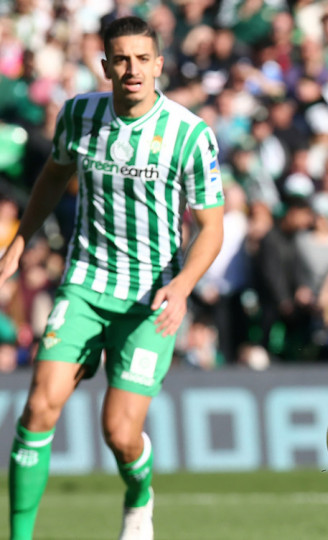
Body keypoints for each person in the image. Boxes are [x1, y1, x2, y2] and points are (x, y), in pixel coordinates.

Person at [0, 16, 225, 540]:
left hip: (151, 299)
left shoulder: (190, 135)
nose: (132, 69)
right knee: (37, 407)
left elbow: (212, 228)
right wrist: (20, 239)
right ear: (105, 65)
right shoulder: (79, 115)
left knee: (119, 433)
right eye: (121, 59)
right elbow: (54, 174)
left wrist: (184, 286)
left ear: (159, 65)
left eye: (142, 59)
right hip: (85, 285)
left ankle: (139, 494)